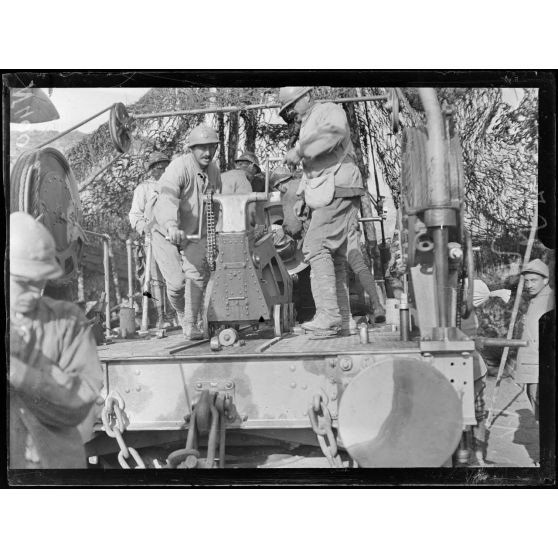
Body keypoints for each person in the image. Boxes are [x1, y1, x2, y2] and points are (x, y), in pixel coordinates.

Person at [9, 212, 103, 468]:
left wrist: (21, 374)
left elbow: (81, 401)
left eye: (40, 280)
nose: (35, 291)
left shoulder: (67, 323)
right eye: (24, 282)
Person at [280, 86, 365, 336]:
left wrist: (299, 150)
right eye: (287, 110)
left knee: (315, 247)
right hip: (334, 187)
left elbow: (334, 133)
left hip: (338, 186)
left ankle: (329, 315)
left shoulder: (328, 110)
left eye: (292, 106)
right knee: (335, 256)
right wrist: (302, 196)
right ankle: (344, 319)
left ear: (307, 96)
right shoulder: (309, 121)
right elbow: (316, 167)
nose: (290, 113)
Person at [154, 124, 222, 340]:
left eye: (211, 147)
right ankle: (183, 314)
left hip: (195, 232)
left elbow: (216, 205)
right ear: (191, 149)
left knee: (197, 276)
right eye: (202, 148)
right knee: (177, 284)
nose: (208, 152)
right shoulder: (178, 168)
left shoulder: (214, 171)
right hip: (165, 232)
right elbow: (167, 198)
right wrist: (171, 225)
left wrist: (215, 232)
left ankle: (191, 324)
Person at [128, 151, 171, 328]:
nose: (163, 170)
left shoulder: (174, 185)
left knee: (177, 276)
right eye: (159, 167)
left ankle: (182, 314)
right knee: (155, 278)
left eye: (166, 167)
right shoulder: (144, 188)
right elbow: (135, 214)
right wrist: (144, 228)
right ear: (152, 170)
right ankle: (161, 317)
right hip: (153, 237)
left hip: (173, 236)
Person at [515, 258, 555, 420]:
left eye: (534, 280)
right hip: (532, 366)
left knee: (544, 409)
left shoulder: (550, 299)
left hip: (542, 367)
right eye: (526, 281)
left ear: (545, 280)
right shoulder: (536, 300)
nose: (529, 285)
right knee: (537, 408)